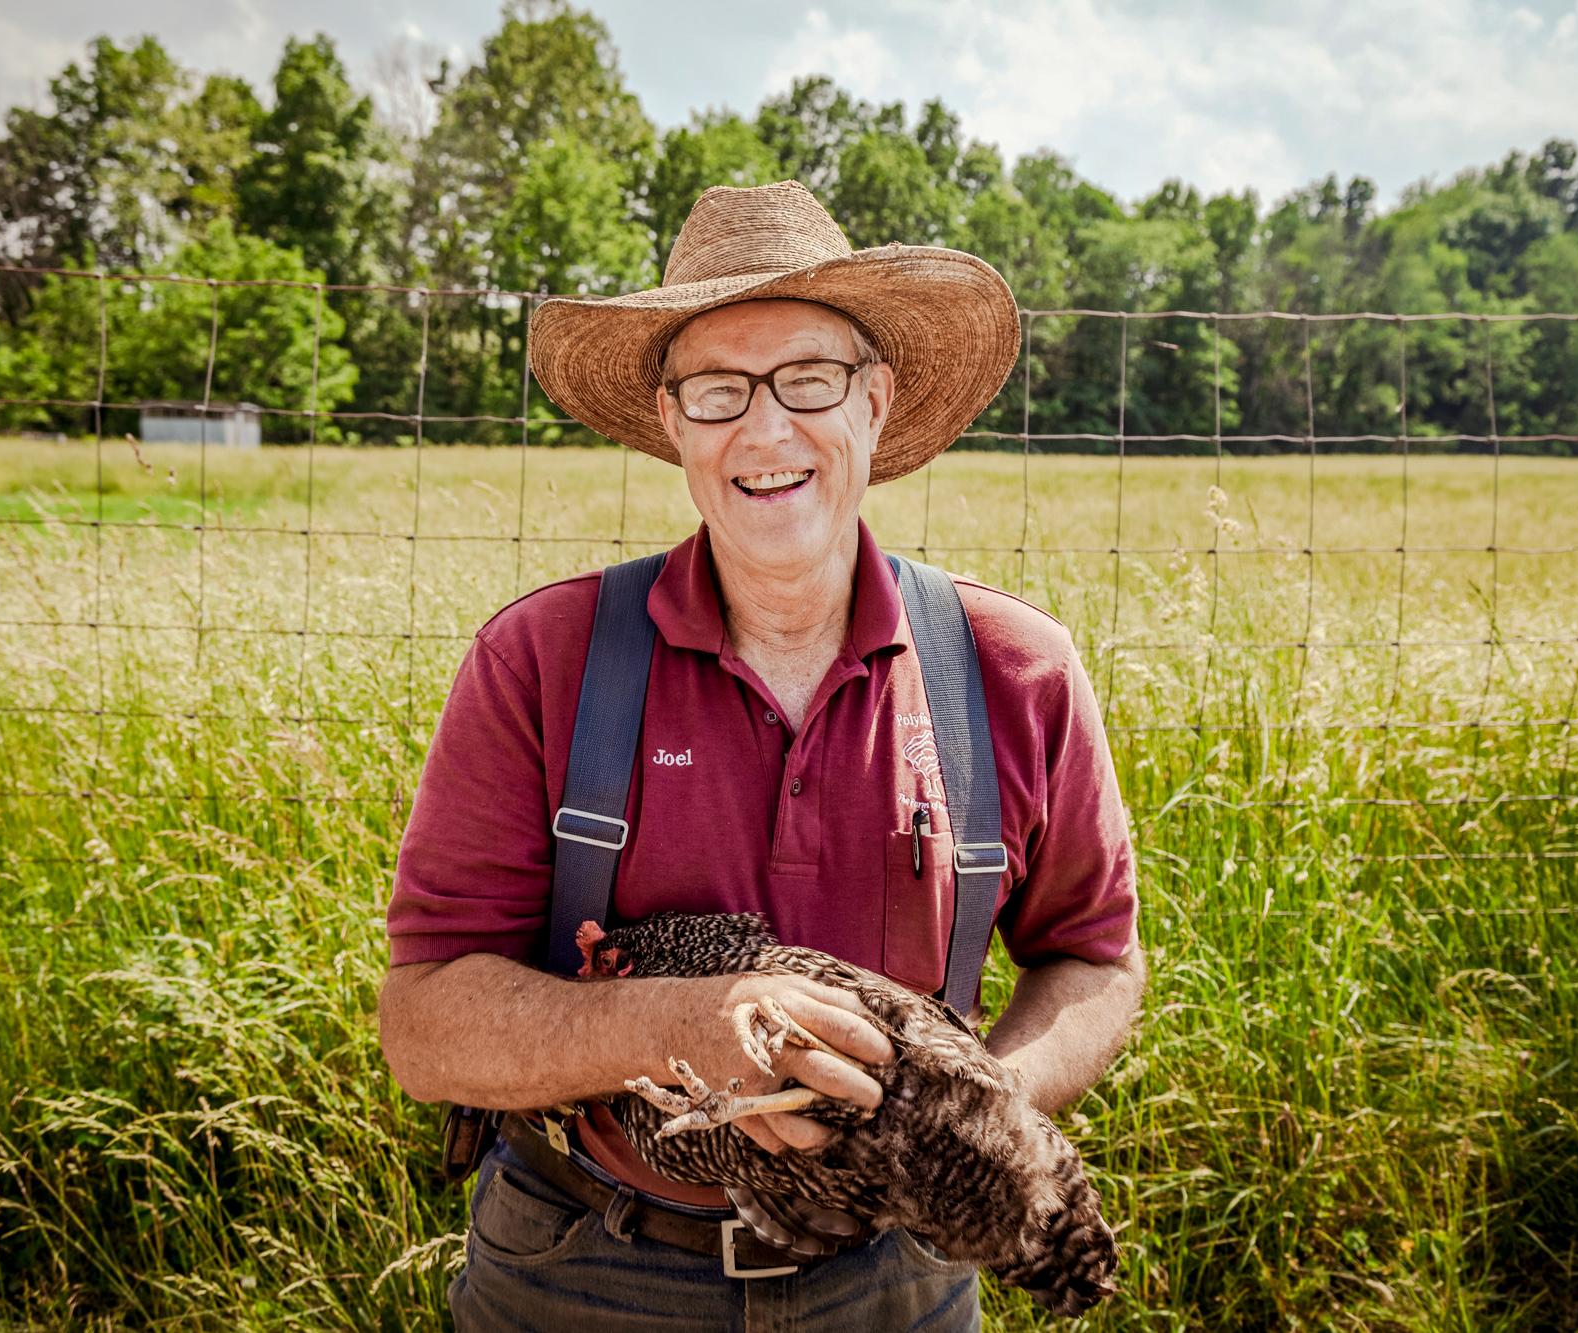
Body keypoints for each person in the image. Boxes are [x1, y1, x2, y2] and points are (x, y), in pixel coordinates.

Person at [377, 180, 1143, 1332]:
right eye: (720, 389)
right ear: (672, 420)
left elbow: (1094, 961)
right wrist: (682, 1023)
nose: (766, 429)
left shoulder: (1014, 668)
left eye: (808, 380)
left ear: (874, 404)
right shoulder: (541, 659)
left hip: (897, 1278)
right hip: (585, 1266)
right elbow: (424, 1022)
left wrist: (947, 1113)